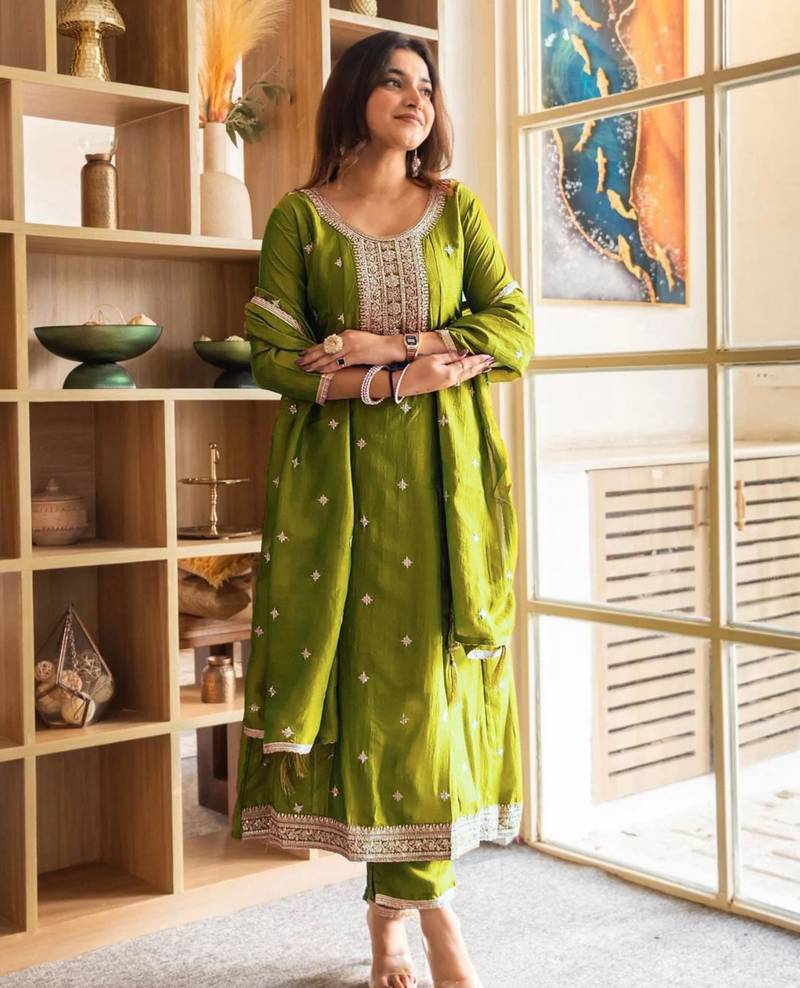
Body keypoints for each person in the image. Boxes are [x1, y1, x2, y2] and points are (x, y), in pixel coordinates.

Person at [231, 28, 534, 988]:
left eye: (427, 86)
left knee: (424, 694)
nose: (417, 98)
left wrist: (393, 346)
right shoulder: (301, 219)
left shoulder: (455, 209)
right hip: (342, 490)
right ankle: (425, 923)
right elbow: (272, 357)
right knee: (371, 692)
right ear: (355, 95)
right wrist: (388, 384)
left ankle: (398, 920)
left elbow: (514, 330)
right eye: (396, 82)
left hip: (447, 484)